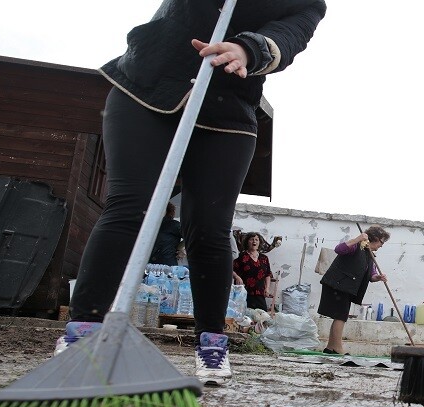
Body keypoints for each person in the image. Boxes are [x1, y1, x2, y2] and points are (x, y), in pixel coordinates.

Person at [60, 0, 326, 385]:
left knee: (208, 230)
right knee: (129, 208)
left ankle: (212, 344)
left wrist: (247, 48)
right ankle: (82, 334)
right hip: (147, 90)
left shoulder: (307, 3)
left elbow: (288, 37)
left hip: (228, 114)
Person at [318, 226, 390, 355]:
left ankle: (330, 347)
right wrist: (357, 239)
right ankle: (338, 348)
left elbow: (371, 276)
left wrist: (377, 277)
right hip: (337, 284)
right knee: (340, 316)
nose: (382, 245)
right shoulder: (356, 246)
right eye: (382, 242)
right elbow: (339, 249)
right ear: (375, 238)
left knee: (340, 316)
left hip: (346, 288)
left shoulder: (369, 255)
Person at [232, 232, 274, 312]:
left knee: (262, 317)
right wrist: (237, 277)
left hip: (259, 293)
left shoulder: (264, 258)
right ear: (247, 242)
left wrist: (267, 288)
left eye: (256, 240)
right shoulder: (242, 256)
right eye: (251, 239)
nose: (254, 241)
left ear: (259, 243)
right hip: (243, 293)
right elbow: (231, 269)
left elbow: (267, 274)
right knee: (244, 317)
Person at [149, 202, 184, 267]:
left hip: (166, 267)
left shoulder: (173, 224)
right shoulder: (146, 225)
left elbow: (192, 237)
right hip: (146, 267)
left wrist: (181, 248)